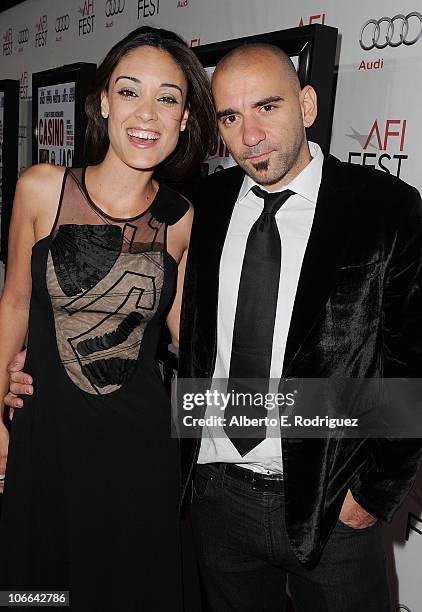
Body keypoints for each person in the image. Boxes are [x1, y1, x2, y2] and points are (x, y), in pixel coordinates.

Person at [5, 42, 422, 612]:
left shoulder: (386, 208)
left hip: (329, 504)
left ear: (306, 105)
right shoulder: (201, 206)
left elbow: (411, 364)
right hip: (213, 491)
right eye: (230, 116)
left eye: (267, 108)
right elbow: (176, 334)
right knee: (43, 591)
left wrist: (368, 497)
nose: (249, 135)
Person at [0, 26, 215, 611]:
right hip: (45, 442)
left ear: (186, 119)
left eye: (168, 97)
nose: (147, 113)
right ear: (101, 102)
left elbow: (189, 341)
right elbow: (15, 303)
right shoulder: (41, 188)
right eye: (130, 91)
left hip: (139, 454)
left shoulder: (184, 219)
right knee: (38, 593)